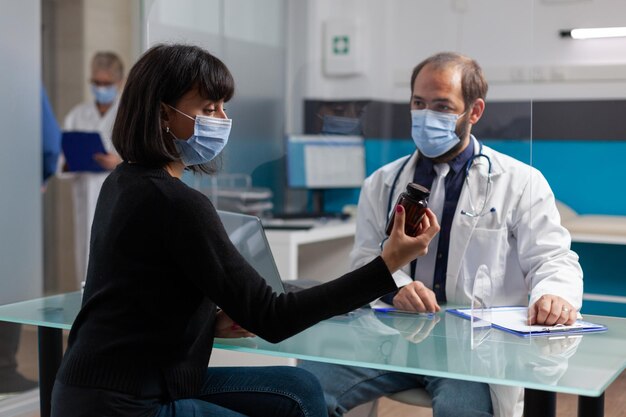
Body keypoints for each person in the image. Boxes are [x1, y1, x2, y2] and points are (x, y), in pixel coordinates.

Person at [50, 43, 441, 417]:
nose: (221, 120)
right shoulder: (178, 203)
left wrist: (211, 319)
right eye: (208, 108)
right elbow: (273, 317)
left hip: (98, 386)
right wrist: (388, 263)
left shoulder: (123, 181)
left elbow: (146, 295)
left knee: (299, 388)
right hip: (128, 402)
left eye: (223, 107)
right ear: (163, 114)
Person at [299, 52, 583, 417]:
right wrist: (397, 286)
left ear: (474, 111)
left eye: (442, 106)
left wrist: (553, 295)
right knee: (305, 387)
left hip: (472, 349)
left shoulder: (520, 182)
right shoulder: (382, 182)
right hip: (392, 339)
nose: (426, 115)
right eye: (418, 103)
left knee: (460, 410)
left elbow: (553, 258)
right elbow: (365, 258)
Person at [63, 51, 124, 170]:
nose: (101, 88)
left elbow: (142, 162)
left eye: (107, 84)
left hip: (119, 186)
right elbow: (60, 160)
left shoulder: (129, 114)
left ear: (120, 82)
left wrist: (119, 163)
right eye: (96, 82)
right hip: (84, 186)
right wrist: (72, 160)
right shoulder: (77, 114)